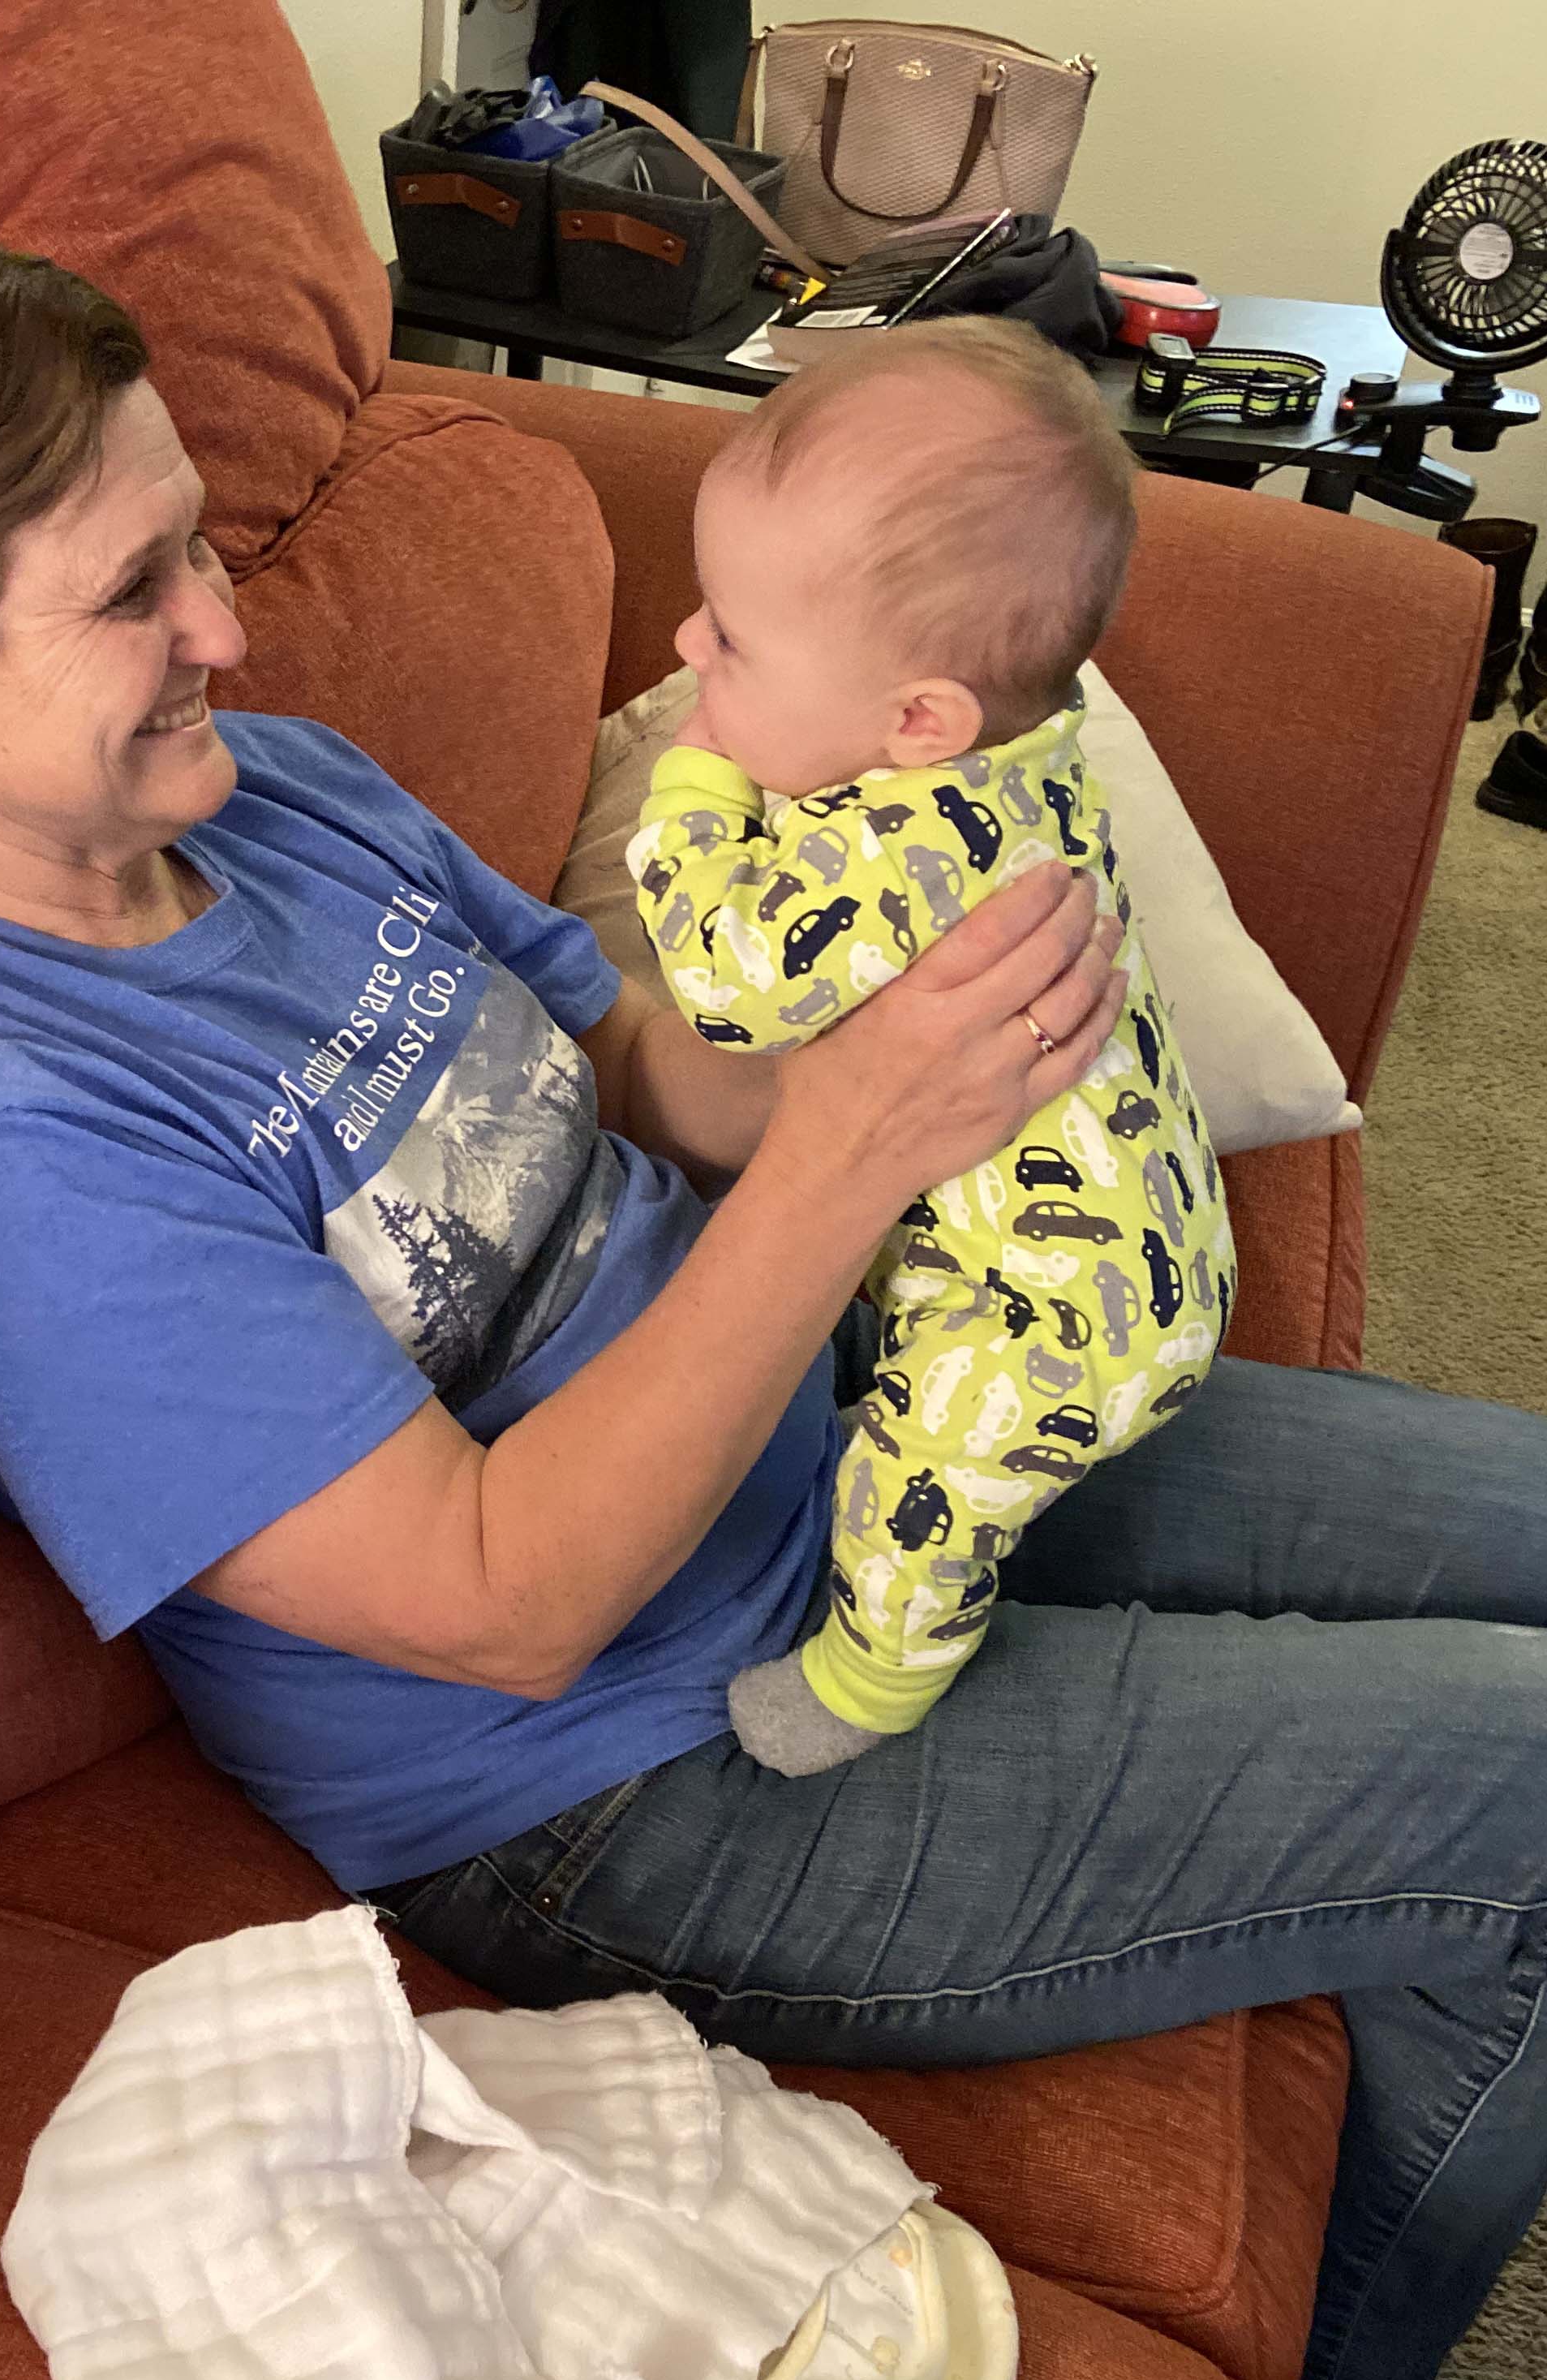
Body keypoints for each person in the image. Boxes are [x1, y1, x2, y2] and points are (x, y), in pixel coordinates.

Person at [0, 204, 1547, 2380]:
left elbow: (620, 1057)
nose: (223, 626)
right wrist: (847, 1155)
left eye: (199, 546)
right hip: (624, 1779)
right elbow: (498, 1601)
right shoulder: (14, 1148)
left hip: (843, 1429)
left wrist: (923, 1057)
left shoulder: (273, 798)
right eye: (134, 590)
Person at [630, 317, 1231, 1780]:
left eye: (729, 637)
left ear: (917, 719)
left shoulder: (900, 850)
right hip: (1148, 1238)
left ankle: (872, 1678)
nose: (687, 646)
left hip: (1040, 1309)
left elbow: (727, 980)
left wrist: (694, 791)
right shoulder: (1023, 756)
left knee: (914, 1487)